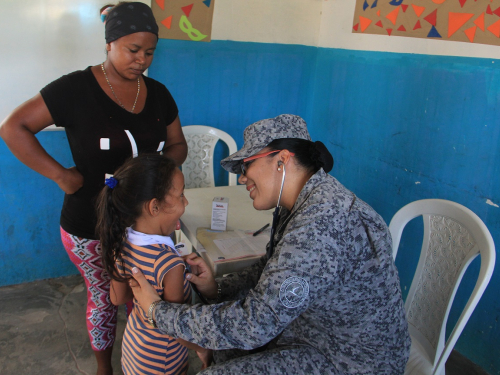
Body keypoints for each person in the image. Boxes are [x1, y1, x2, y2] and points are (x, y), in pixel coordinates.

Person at [128, 114, 411, 374]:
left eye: (247, 164)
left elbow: (256, 324)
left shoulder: (321, 223)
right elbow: (270, 269)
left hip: (352, 361)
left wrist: (158, 312)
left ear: (282, 159)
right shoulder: (301, 202)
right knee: (222, 350)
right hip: (313, 332)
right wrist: (218, 288)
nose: (242, 177)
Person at [0, 3, 187, 374]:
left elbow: (178, 144)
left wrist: (160, 168)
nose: (141, 60)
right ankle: (104, 368)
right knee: (104, 299)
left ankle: (142, 359)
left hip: (143, 226)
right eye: (133, 50)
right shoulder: (74, 89)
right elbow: (13, 127)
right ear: (109, 43)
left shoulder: (159, 93)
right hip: (89, 223)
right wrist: (60, 175)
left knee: (142, 299)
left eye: (149, 52)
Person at [95, 154, 212, 375]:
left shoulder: (121, 240)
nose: (185, 201)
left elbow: (118, 298)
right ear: (154, 207)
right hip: (162, 360)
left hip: (134, 350)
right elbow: (177, 328)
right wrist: (203, 349)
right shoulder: (169, 264)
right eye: (181, 195)